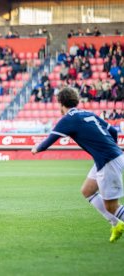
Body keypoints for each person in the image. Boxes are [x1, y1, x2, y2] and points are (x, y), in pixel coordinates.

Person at [31, 88, 124, 243]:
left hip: (108, 160)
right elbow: (113, 132)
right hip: (113, 156)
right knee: (87, 191)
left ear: (61, 103)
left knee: (112, 206)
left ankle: (117, 221)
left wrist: (36, 149)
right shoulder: (87, 113)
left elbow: (48, 141)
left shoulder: (68, 119)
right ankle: (116, 224)